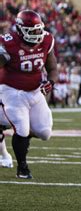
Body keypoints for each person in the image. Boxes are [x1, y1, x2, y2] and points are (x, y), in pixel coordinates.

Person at [0, 10, 57, 179]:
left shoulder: (46, 39)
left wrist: (51, 82)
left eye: (38, 30)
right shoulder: (8, 43)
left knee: (45, 132)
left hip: (34, 90)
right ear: (20, 30)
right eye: (32, 31)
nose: (37, 34)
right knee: (22, 128)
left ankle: (3, 122)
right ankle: (22, 168)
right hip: (11, 90)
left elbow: (52, 68)